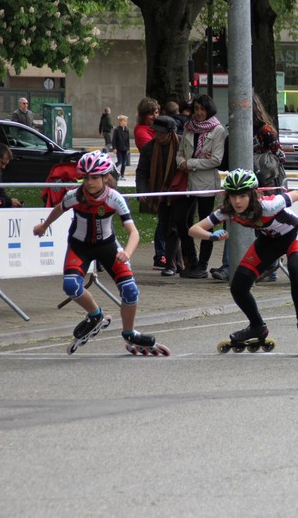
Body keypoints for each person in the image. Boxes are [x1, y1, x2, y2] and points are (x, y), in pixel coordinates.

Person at [32, 151, 170, 356]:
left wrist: (128, 253)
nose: (89, 182)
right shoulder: (74, 195)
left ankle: (129, 332)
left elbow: (133, 232)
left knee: (130, 291)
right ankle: (95, 315)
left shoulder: (114, 198)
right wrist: (44, 226)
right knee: (70, 285)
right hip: (80, 247)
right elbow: (59, 208)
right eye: (85, 177)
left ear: (106, 177)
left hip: (108, 246)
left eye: (95, 177)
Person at [189, 169, 298, 353]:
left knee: (297, 270)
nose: (237, 201)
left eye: (242, 195)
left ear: (252, 194)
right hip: (268, 241)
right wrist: (212, 236)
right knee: (238, 286)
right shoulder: (228, 211)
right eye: (233, 196)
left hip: (294, 235)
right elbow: (194, 229)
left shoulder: (269, 205)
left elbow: (295, 195)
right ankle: (257, 326)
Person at [176, 94, 227, 279]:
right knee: (181, 219)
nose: (198, 112)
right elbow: (180, 153)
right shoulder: (188, 127)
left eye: (202, 109)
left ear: (209, 110)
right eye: (196, 108)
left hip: (206, 183)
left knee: (207, 224)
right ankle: (192, 259)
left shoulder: (217, 130)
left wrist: (189, 163)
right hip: (188, 183)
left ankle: (202, 265)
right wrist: (182, 162)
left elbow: (215, 160)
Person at [135, 116, 188, 277]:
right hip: (160, 193)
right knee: (167, 228)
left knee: (174, 227)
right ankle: (179, 264)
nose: (157, 136)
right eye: (155, 133)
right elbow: (142, 172)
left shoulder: (182, 145)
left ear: (171, 133)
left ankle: (170, 265)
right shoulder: (149, 148)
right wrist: (142, 191)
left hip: (180, 192)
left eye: (161, 133)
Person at [251, 93, 287, 282]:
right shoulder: (238, 129)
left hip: (267, 183)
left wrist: (263, 164)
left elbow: (280, 155)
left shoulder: (265, 130)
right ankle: (262, 265)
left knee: (266, 222)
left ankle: (271, 267)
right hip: (251, 183)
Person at [133, 97, 166, 269]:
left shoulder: (156, 129)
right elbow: (152, 150)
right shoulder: (142, 131)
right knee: (164, 217)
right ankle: (160, 254)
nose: (156, 116)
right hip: (155, 179)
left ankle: (165, 253)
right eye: (152, 113)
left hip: (164, 178)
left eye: (157, 112)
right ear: (144, 115)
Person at [0, 143, 23, 208]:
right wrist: (8, 202)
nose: (3, 167)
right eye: (2, 163)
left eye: (5, 164)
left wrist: (11, 202)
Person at [111, 115, 131, 179]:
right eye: (124, 121)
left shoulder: (127, 130)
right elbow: (114, 139)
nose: (126, 122)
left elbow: (127, 140)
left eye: (126, 121)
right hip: (119, 149)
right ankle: (112, 168)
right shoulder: (117, 130)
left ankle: (122, 175)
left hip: (125, 149)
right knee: (120, 161)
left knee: (124, 163)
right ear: (120, 121)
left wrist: (128, 148)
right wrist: (114, 148)